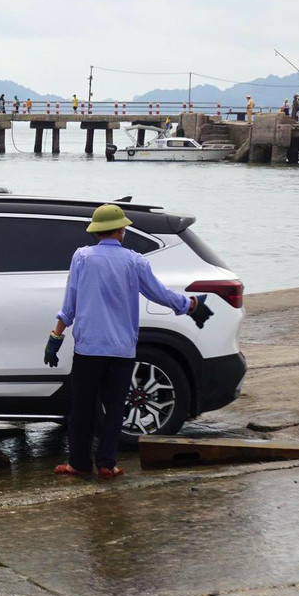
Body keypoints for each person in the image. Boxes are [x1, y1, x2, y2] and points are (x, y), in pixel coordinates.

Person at [45, 204, 214, 479]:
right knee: (114, 408)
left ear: (96, 232)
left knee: (82, 408)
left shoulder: (82, 258)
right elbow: (160, 294)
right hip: (122, 350)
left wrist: (56, 336)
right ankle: (107, 464)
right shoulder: (134, 261)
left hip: (88, 348)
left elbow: (70, 303)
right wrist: (190, 304)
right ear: (121, 230)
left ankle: (78, 463)